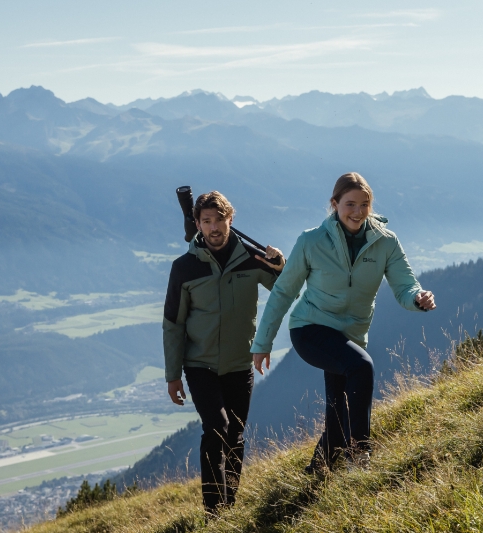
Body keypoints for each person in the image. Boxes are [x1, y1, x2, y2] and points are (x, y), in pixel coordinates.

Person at [251, 172, 435, 473]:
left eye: (365, 205)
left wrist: (418, 298)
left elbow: (405, 286)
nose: (358, 212)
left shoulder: (385, 242)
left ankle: (315, 474)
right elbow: (284, 292)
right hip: (310, 329)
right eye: (350, 204)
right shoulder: (311, 241)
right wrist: (263, 343)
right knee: (361, 367)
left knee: (338, 414)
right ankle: (360, 456)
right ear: (334, 204)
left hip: (350, 334)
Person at [162, 190, 285, 515]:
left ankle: (229, 504)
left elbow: (286, 289)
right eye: (206, 221)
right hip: (199, 364)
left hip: (238, 363)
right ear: (197, 224)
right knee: (217, 426)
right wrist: (173, 375)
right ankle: (214, 511)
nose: (214, 227)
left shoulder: (251, 258)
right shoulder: (185, 268)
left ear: (230, 220)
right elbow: (173, 324)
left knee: (236, 435)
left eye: (219, 220)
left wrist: (280, 265)